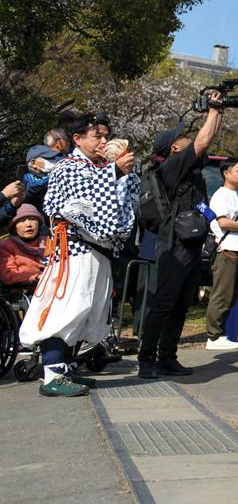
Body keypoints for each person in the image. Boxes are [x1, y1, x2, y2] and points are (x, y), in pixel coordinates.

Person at [19, 113, 138, 397]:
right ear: (78, 138)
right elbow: (80, 200)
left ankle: (67, 367)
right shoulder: (67, 167)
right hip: (74, 251)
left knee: (86, 313)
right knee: (66, 310)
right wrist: (115, 172)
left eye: (105, 136)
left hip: (99, 252)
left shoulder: (100, 167)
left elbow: (121, 203)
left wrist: (121, 173)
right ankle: (52, 373)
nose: (103, 141)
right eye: (97, 136)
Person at [137, 91, 225, 379]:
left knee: (180, 305)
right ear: (175, 148)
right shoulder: (171, 167)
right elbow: (202, 141)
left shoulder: (190, 170)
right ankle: (146, 359)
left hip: (191, 244)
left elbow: (207, 139)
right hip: (173, 245)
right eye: (182, 136)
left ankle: (168, 357)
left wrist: (219, 111)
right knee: (163, 303)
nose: (189, 137)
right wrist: (212, 109)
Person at [204, 158, 238, 350]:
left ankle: (222, 334)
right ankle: (213, 336)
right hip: (227, 249)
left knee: (232, 294)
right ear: (226, 173)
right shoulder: (220, 195)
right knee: (222, 294)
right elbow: (222, 222)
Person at [0, 204, 47, 286]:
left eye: (32, 219)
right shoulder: (6, 246)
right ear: (14, 226)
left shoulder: (50, 241)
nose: (28, 224)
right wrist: (36, 277)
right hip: (26, 293)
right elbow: (9, 275)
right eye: (22, 221)